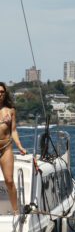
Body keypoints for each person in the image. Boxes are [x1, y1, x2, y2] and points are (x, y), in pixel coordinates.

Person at [0, 82, 27, 214]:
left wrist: (20, 146)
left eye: (2, 92)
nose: (0, 94)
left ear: (5, 94)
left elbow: (14, 130)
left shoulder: (10, 110)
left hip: (6, 147)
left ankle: (16, 211)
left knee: (9, 181)